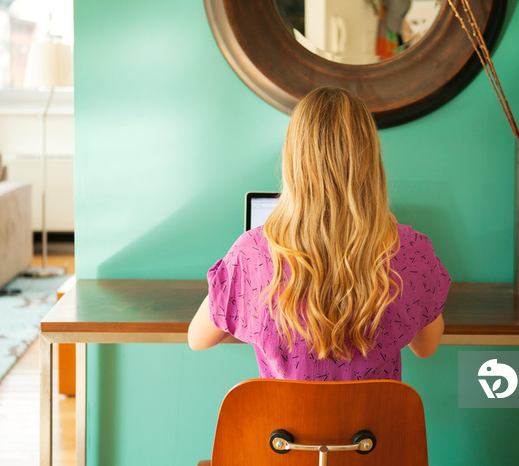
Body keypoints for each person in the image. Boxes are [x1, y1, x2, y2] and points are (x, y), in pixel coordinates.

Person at [188, 87, 449, 381]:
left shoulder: (251, 254)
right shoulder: (410, 250)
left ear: (293, 160)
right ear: (371, 161)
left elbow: (198, 339)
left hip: (282, 428)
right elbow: (426, 347)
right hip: (378, 428)